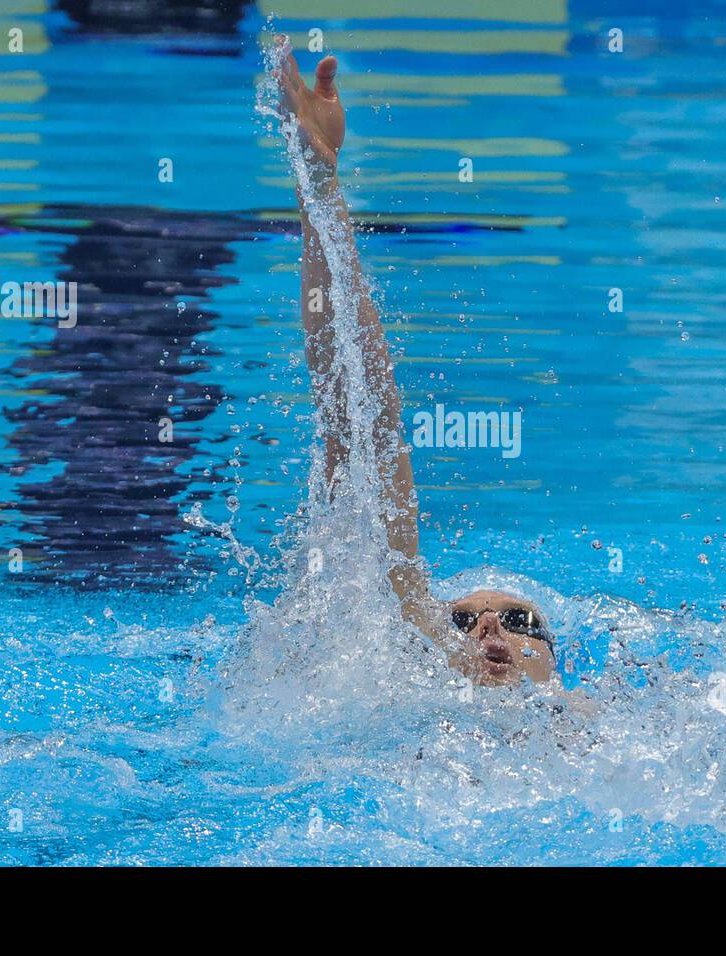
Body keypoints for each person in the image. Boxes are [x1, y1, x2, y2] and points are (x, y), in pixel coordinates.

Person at [273, 39, 557, 688]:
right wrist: (320, 189)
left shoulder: (605, 736)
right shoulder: (415, 715)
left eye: (518, 619)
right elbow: (364, 427)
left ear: (558, 667)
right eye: (459, 621)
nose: (490, 629)